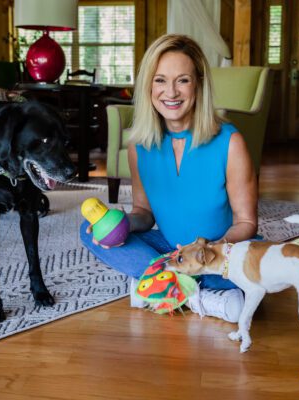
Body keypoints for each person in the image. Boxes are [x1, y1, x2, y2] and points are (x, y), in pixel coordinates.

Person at [80, 34, 258, 322]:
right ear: (148, 85)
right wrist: (120, 223)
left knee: (255, 275)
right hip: (171, 249)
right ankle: (198, 298)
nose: (171, 92)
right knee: (89, 231)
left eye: (182, 80)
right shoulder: (139, 147)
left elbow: (247, 223)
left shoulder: (230, 142)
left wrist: (206, 253)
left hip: (218, 252)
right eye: (160, 80)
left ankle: (158, 287)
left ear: (198, 84)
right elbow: (144, 213)